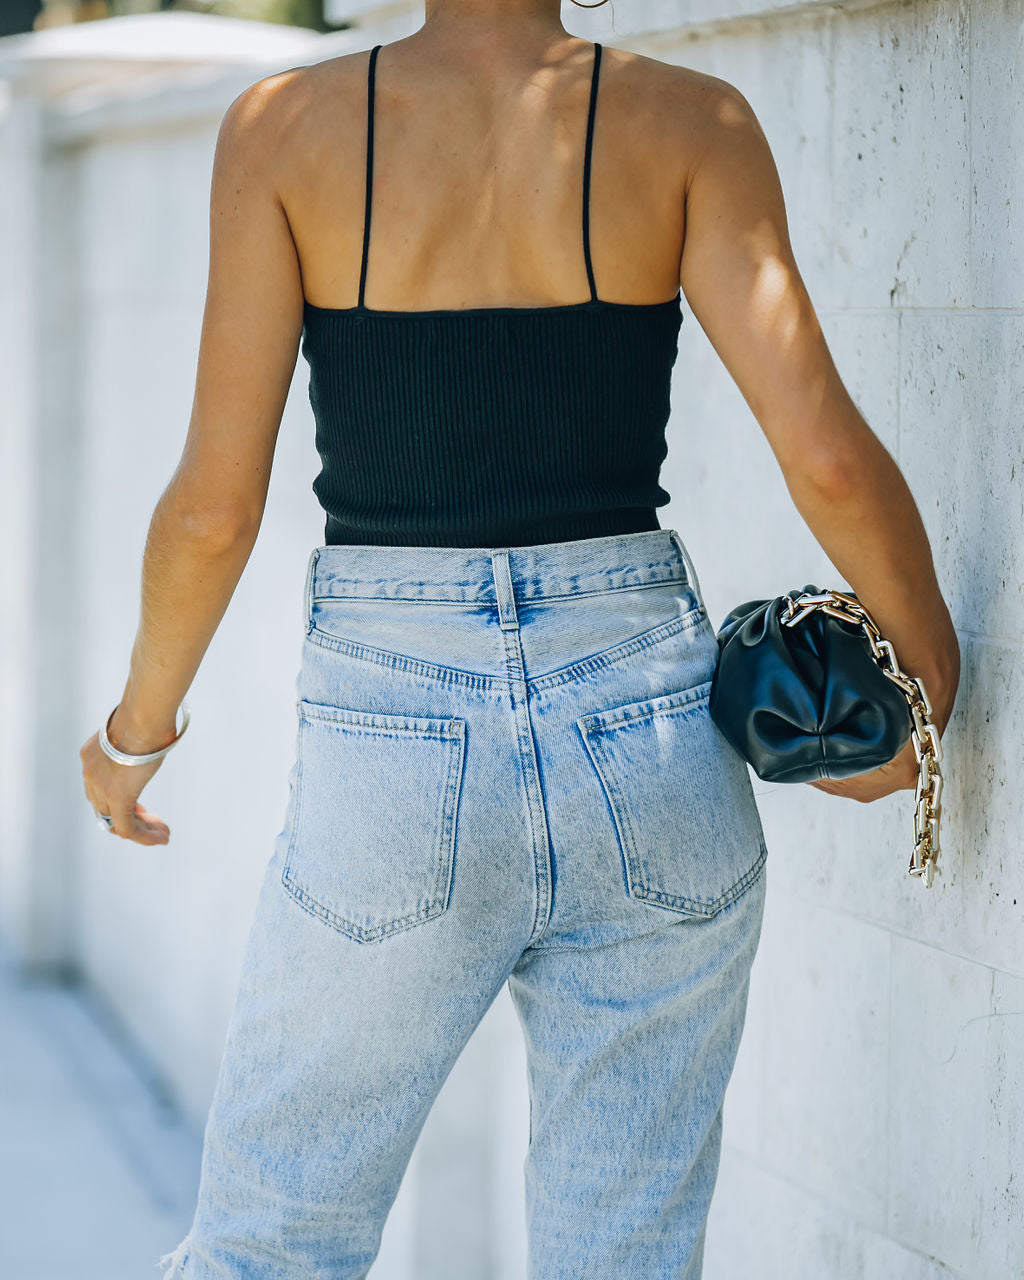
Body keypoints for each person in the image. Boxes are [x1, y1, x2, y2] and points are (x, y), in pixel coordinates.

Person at [79, 0, 960, 1275]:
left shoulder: (286, 129)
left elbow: (214, 509)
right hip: (645, 729)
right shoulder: (690, 121)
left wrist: (133, 734)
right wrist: (926, 677)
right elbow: (822, 452)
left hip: (395, 741)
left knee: (268, 1242)